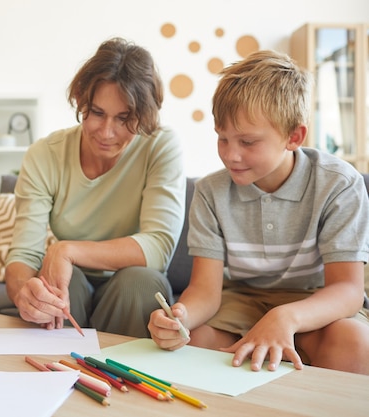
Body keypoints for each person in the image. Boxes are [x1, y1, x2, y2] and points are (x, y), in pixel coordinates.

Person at [148, 50, 369, 375]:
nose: (231, 155)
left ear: (293, 137)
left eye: (248, 142)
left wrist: (284, 317)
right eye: (223, 139)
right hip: (242, 300)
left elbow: (348, 291)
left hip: (315, 301)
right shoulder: (210, 192)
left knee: (354, 342)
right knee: (190, 342)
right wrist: (179, 316)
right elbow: (206, 292)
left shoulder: (339, 183)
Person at [4, 37, 186, 338]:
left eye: (124, 119)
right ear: (79, 98)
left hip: (133, 286)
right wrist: (25, 292)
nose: (106, 132)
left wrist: (67, 250)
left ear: (144, 115)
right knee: (59, 283)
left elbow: (158, 247)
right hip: (70, 281)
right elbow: (23, 256)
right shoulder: (44, 155)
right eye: (97, 112)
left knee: (139, 282)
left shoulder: (161, 146)